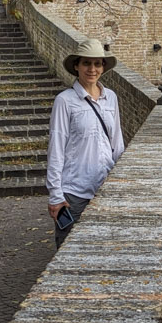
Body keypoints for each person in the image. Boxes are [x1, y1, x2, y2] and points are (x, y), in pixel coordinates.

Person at [46, 38, 124, 248]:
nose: (92, 69)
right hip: (74, 193)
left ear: (103, 68)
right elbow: (56, 150)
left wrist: (121, 185)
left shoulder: (112, 98)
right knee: (69, 251)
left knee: (104, 249)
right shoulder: (65, 101)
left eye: (97, 64)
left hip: (104, 189)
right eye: (87, 63)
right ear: (76, 66)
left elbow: (117, 145)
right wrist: (55, 195)